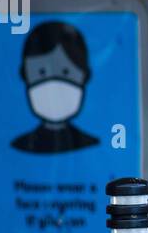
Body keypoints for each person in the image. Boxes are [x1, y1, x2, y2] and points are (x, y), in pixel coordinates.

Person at [10, 19, 98, 154]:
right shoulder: (20, 146)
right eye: (41, 73)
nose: (53, 85)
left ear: (85, 76)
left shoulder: (91, 145)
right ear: (25, 75)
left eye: (65, 73)